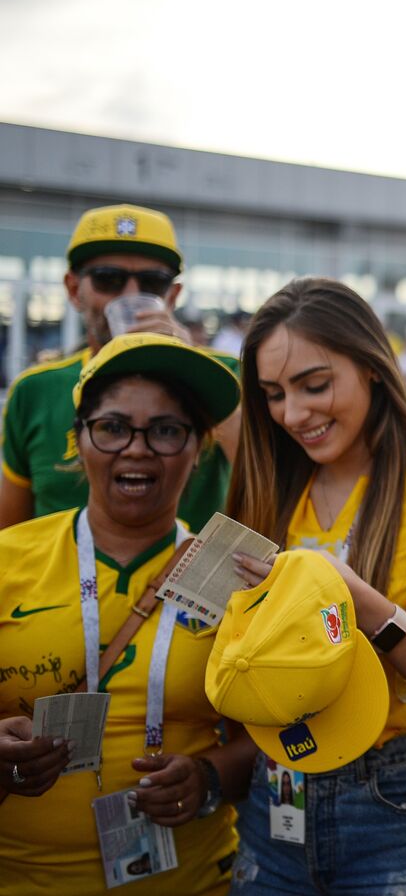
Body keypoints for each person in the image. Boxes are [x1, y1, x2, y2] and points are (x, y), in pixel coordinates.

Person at [224, 276, 406, 896]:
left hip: (401, 801)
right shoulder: (271, 484)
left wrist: (367, 608)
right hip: (276, 796)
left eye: (315, 385)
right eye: (274, 394)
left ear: (372, 366)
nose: (294, 414)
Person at [0, 332, 256, 893]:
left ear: (199, 448)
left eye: (166, 431)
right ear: (79, 441)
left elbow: (267, 739)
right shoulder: (7, 559)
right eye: (113, 427)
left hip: (195, 882)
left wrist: (208, 777)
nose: (137, 449)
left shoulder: (236, 575)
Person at [0, 204, 239, 532]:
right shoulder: (36, 390)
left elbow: (271, 484)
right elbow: (10, 531)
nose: (130, 295)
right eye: (108, 279)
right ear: (74, 290)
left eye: (152, 283)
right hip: (60, 566)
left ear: (172, 296)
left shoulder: (222, 376)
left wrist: (190, 364)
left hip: (187, 566)